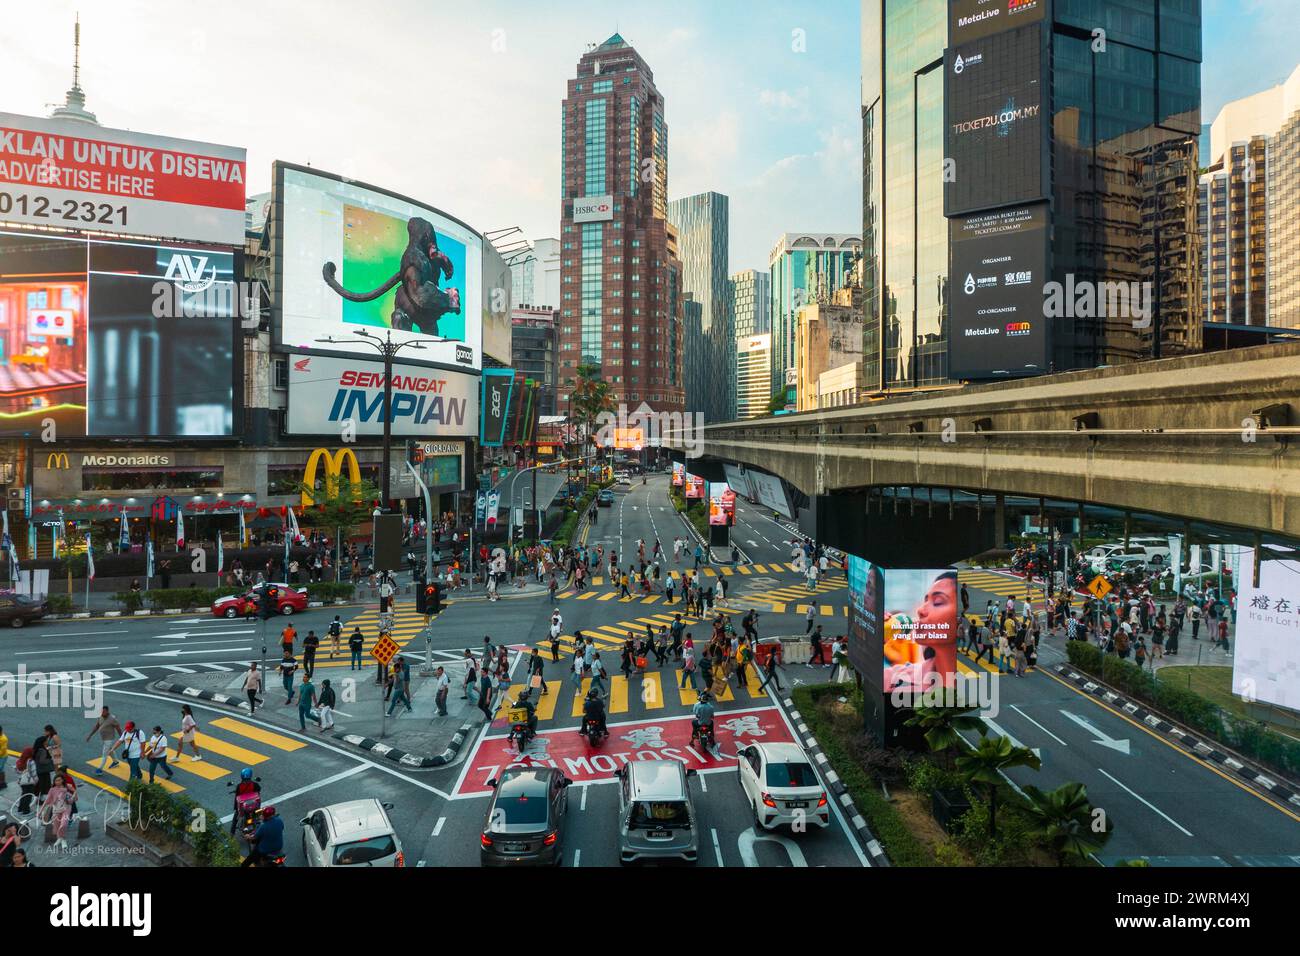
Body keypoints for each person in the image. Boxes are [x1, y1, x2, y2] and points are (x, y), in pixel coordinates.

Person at [41, 774, 74, 851]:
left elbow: (75, 798)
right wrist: (40, 811)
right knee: (57, 825)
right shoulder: (52, 790)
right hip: (56, 810)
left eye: (59, 780)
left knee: (64, 824)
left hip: (66, 808)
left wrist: (71, 795)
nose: (57, 782)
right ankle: (61, 839)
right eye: (56, 780)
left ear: (62, 780)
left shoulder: (68, 787)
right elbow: (46, 801)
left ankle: (63, 839)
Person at [86, 708, 123, 775]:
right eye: (101, 712)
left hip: (109, 739)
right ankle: (115, 761)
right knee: (110, 750)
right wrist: (90, 735)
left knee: (104, 754)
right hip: (104, 738)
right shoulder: (101, 717)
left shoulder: (112, 719)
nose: (102, 714)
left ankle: (99, 769)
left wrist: (122, 737)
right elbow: (97, 726)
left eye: (103, 712)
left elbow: (118, 728)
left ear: (107, 711)